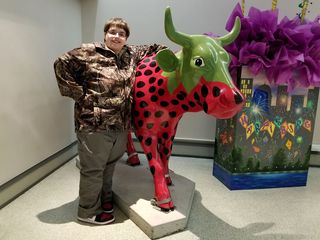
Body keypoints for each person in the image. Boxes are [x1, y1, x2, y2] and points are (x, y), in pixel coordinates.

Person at [54, 17, 166, 225]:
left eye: (121, 34)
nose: (117, 36)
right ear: (105, 34)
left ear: (126, 38)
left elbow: (156, 47)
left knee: (109, 166)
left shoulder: (131, 53)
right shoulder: (89, 51)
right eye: (113, 32)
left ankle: (105, 200)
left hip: (121, 124)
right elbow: (60, 63)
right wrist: (79, 94)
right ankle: (87, 211)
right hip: (93, 124)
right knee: (93, 169)